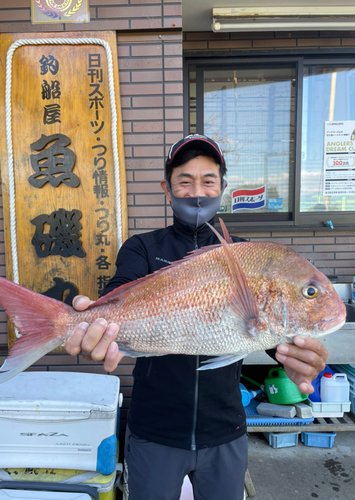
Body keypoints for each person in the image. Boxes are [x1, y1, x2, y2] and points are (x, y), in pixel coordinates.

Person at [65, 134, 328, 500]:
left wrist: (297, 358)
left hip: (226, 430)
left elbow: (269, 334)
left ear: (222, 186)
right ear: (167, 189)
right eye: (184, 181)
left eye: (208, 181)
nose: (197, 191)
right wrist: (90, 320)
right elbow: (120, 293)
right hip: (153, 431)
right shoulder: (141, 247)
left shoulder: (246, 257)